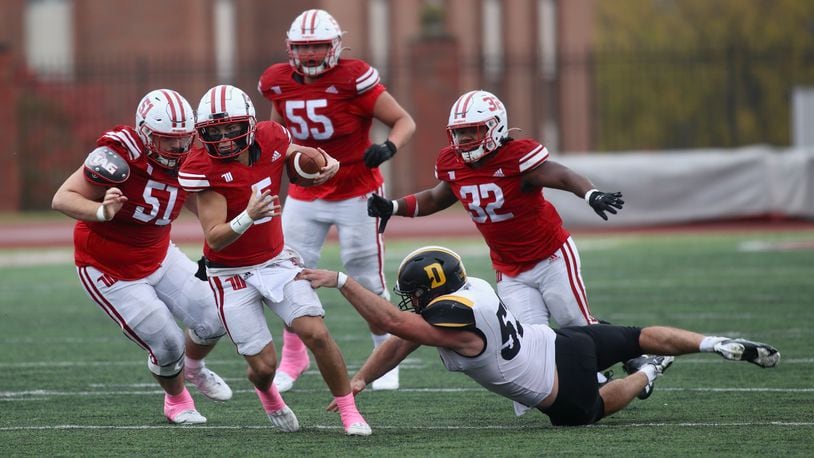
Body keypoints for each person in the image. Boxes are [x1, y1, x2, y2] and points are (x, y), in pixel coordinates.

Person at [299, 246, 781, 426]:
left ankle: (648, 377)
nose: (412, 300)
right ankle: (712, 343)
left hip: (558, 389)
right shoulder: (477, 287)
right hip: (564, 341)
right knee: (637, 335)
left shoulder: (447, 314)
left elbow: (394, 326)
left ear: (435, 289)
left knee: (597, 405)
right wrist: (361, 380)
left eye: (416, 292)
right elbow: (404, 340)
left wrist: (343, 281)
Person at [177, 84, 371, 435]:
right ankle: (268, 394)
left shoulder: (271, 136)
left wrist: (324, 161)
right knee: (265, 367)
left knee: (317, 333)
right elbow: (215, 237)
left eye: (230, 129)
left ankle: (349, 411)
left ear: (249, 125)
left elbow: (294, 152)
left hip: (275, 260)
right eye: (214, 132)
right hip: (229, 271)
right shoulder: (202, 167)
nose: (222, 139)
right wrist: (248, 215)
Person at [367, 90, 623, 331]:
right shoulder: (453, 163)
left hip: (550, 256)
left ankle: (633, 353)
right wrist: (393, 206)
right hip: (509, 268)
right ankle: (585, 376)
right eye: (459, 132)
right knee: (532, 338)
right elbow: (436, 198)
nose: (464, 138)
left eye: (472, 131)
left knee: (575, 323)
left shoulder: (516, 157)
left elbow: (563, 176)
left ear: (495, 128)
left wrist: (590, 193)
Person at [51, 89, 233, 425]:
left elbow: (200, 206)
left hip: (159, 255)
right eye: (168, 141)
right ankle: (176, 399)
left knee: (216, 317)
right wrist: (101, 211)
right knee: (167, 343)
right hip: (109, 267)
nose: (179, 149)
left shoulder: (191, 158)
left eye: (183, 140)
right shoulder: (119, 154)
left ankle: (194, 367)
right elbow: (63, 198)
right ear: (147, 135)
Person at [258, 8, 416, 392]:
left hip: (356, 188)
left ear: (335, 46)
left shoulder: (353, 76)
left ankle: (383, 353)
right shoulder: (277, 81)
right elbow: (276, 132)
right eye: (303, 47)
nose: (310, 54)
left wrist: (387, 148)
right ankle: (294, 357)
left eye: (317, 46)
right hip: (305, 191)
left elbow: (404, 121)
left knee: (365, 275)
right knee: (289, 273)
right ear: (290, 48)